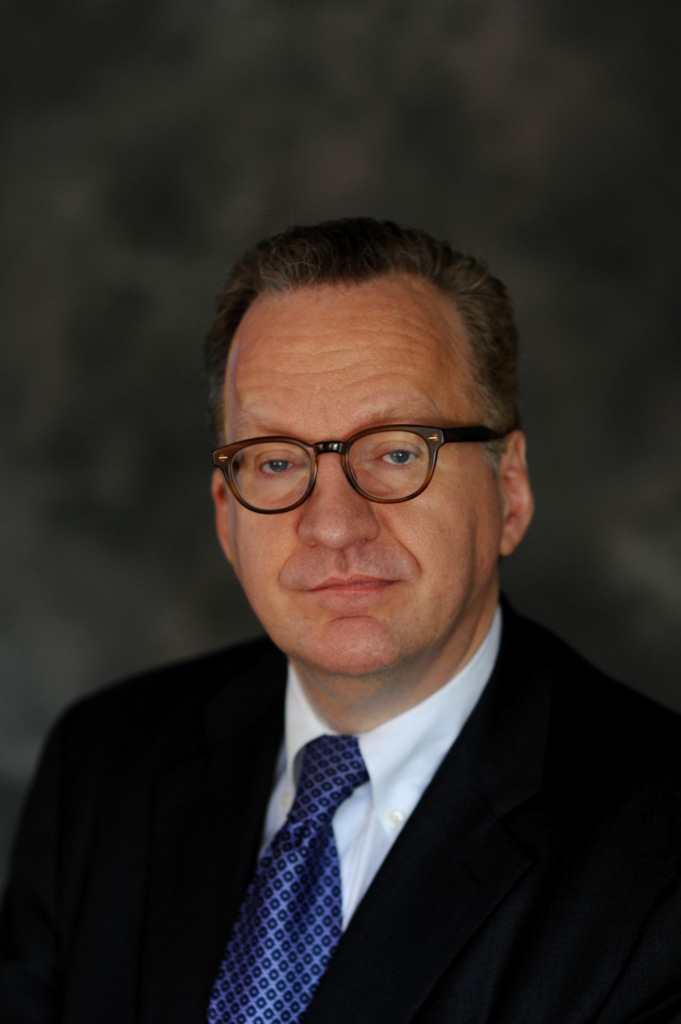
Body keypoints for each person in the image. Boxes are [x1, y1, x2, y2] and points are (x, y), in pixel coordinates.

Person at [1, 218, 680, 1024]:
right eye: (276, 460)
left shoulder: (657, 847)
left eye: (396, 451)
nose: (332, 525)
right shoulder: (103, 767)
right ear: (226, 517)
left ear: (510, 492)